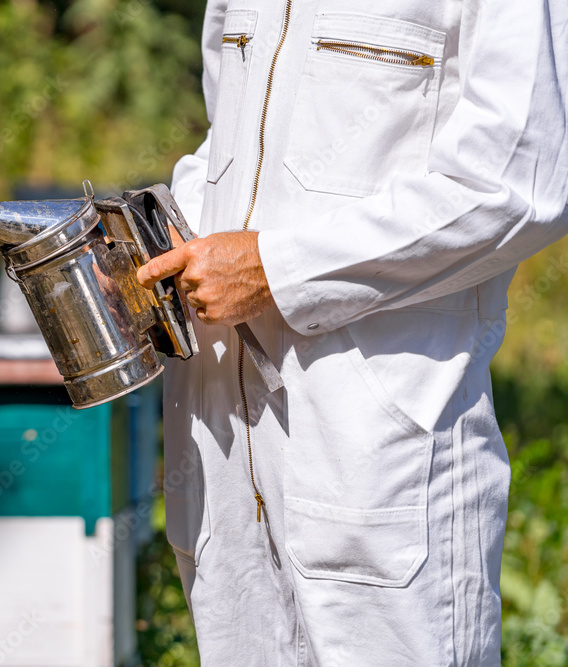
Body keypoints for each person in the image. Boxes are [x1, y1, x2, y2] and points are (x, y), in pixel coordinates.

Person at [135, 0, 568, 663]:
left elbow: (517, 184)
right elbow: (231, 149)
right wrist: (147, 242)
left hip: (375, 454)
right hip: (223, 450)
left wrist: (279, 269)